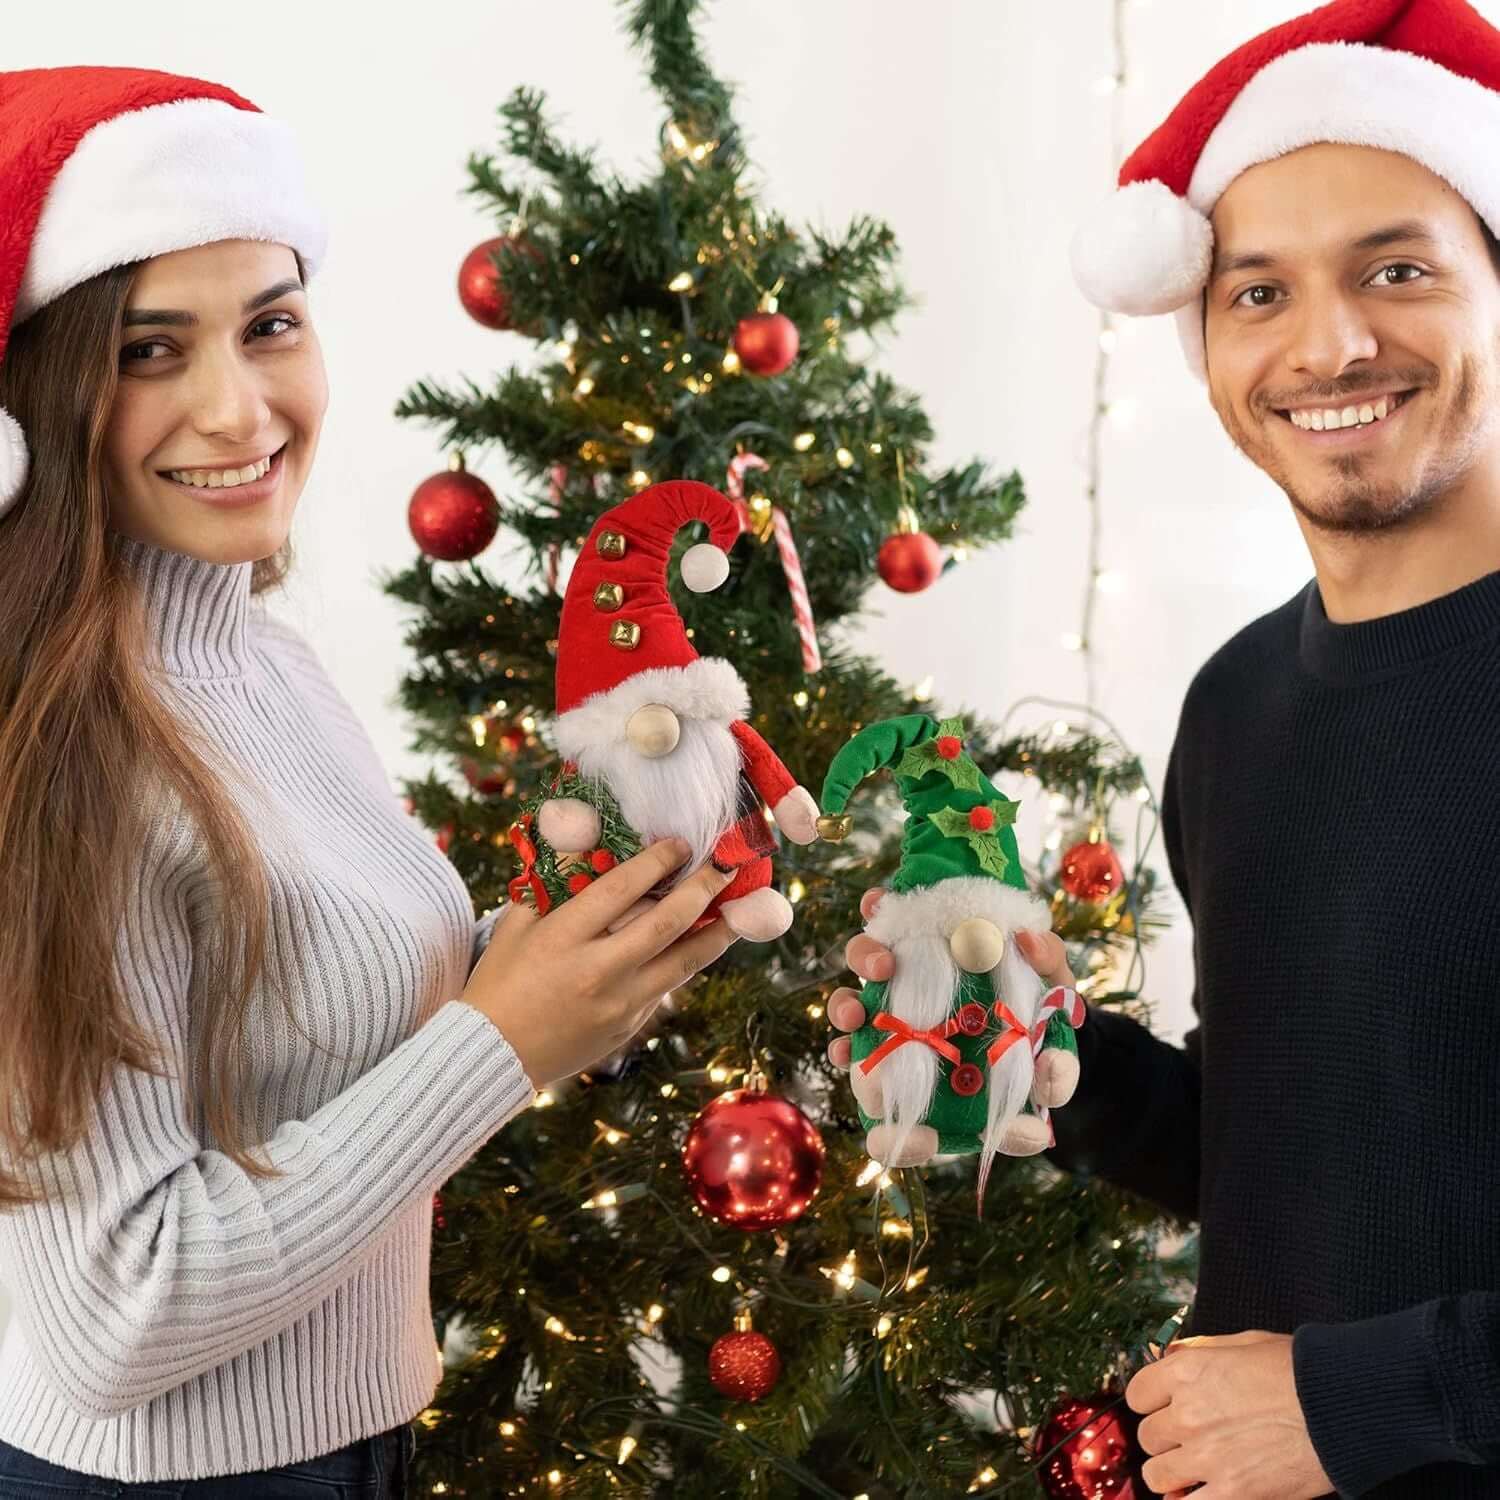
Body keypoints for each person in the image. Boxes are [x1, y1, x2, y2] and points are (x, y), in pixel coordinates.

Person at [0, 67, 736, 1495]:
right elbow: (114, 1312)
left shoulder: (266, 667)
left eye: (269, 325)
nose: (240, 407)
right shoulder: (44, 746)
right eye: (151, 351)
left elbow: (315, 1026)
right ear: (36, 394)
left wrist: (598, 941)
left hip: (353, 1450)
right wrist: (500, 1039)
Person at [831, 1, 1500, 1496]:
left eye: (1398, 269)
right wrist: (1051, 1065)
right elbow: (1306, 1147)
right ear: (1204, 337)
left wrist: (1355, 1400)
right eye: (1259, 292)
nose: (1331, 343)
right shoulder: (1241, 705)